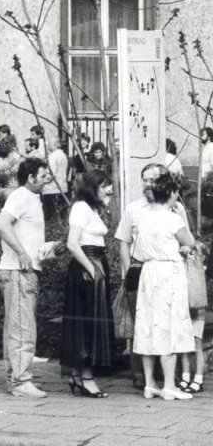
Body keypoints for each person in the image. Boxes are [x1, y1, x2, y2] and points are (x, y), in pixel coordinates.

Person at [0, 157, 63, 398]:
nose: (47, 179)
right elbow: (1, 223)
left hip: (25, 271)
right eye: (43, 175)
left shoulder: (31, 198)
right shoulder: (21, 196)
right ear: (30, 178)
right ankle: (20, 381)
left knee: (18, 326)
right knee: (23, 328)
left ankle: (16, 377)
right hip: (18, 271)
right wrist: (22, 253)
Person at [134, 173, 196, 400]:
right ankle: (169, 385)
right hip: (169, 273)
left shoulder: (143, 217)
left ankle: (150, 383)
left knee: (148, 325)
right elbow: (190, 241)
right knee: (169, 325)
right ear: (171, 193)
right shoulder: (172, 218)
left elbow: (138, 251)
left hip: (149, 272)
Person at [60, 170, 116, 398]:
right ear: (93, 188)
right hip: (88, 266)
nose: (109, 189)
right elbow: (72, 243)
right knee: (89, 323)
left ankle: (77, 375)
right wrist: (92, 269)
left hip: (95, 263)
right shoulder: (81, 207)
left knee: (87, 321)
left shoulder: (91, 209)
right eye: (105, 186)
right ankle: (87, 378)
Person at [115, 162, 161, 389]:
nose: (148, 184)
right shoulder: (133, 209)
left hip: (162, 272)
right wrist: (127, 271)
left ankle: (162, 371)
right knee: (137, 324)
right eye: (145, 180)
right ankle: (138, 374)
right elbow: (124, 242)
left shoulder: (172, 208)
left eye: (153, 179)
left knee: (161, 320)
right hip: (138, 270)